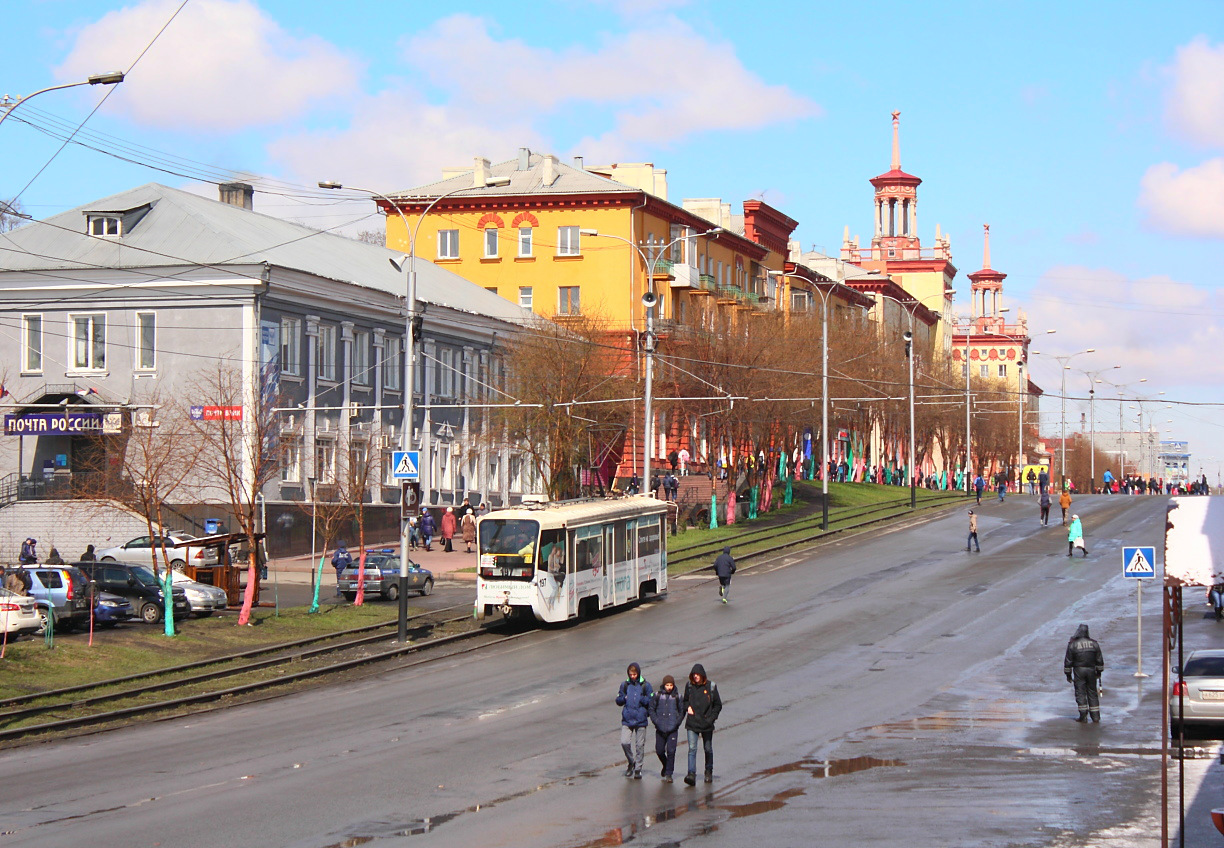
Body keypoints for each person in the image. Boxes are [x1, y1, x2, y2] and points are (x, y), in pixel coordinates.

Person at [682, 663, 722, 785]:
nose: (695, 677)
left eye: (698, 675)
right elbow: (684, 701)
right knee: (692, 749)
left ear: (702, 675)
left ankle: (708, 771)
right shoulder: (689, 686)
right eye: (694, 675)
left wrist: (711, 718)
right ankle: (691, 774)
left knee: (708, 748)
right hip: (692, 723)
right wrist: (687, 707)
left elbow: (718, 705)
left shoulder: (711, 687)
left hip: (706, 724)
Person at [616, 662, 653, 779]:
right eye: (631, 674)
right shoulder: (625, 685)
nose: (633, 676)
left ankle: (638, 768)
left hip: (641, 719)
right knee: (624, 742)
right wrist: (623, 698)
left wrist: (642, 699)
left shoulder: (646, 685)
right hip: (627, 719)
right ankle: (631, 762)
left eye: (634, 674)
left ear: (638, 673)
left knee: (640, 745)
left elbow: (651, 701)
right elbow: (618, 700)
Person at [1064, 623, 1104, 723]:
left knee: (1080, 693)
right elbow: (1099, 660)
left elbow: (1068, 661)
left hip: (1079, 671)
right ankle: (1096, 717)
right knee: (1092, 693)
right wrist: (1099, 672)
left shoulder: (1072, 644)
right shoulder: (1094, 643)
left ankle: (1083, 716)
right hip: (1091, 671)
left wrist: (1068, 675)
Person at [648, 674, 684, 783]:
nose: (669, 687)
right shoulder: (657, 695)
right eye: (667, 685)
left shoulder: (678, 697)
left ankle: (669, 773)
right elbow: (651, 709)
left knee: (671, 751)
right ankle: (665, 764)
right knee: (659, 750)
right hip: (660, 728)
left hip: (672, 729)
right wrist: (656, 721)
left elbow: (682, 712)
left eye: (671, 685)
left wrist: (677, 723)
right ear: (664, 685)